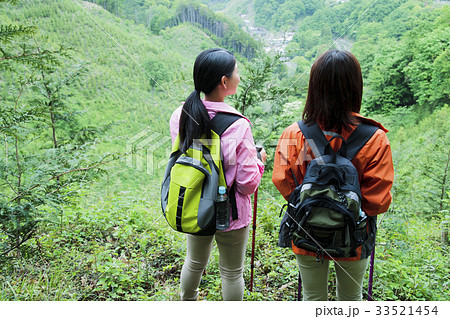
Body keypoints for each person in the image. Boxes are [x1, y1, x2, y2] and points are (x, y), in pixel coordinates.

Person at [272, 50, 394, 301]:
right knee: (350, 300)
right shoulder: (375, 138)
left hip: (306, 233)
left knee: (313, 298)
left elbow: (283, 181)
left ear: (314, 87)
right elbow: (377, 202)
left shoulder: (294, 134)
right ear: (355, 86)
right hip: (354, 237)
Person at [169, 48, 266, 301]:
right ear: (224, 82)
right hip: (230, 212)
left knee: (193, 262)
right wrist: (259, 161)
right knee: (232, 274)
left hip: (195, 204)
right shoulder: (238, 124)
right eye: (236, 72)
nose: (239, 76)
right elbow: (246, 184)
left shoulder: (180, 115)